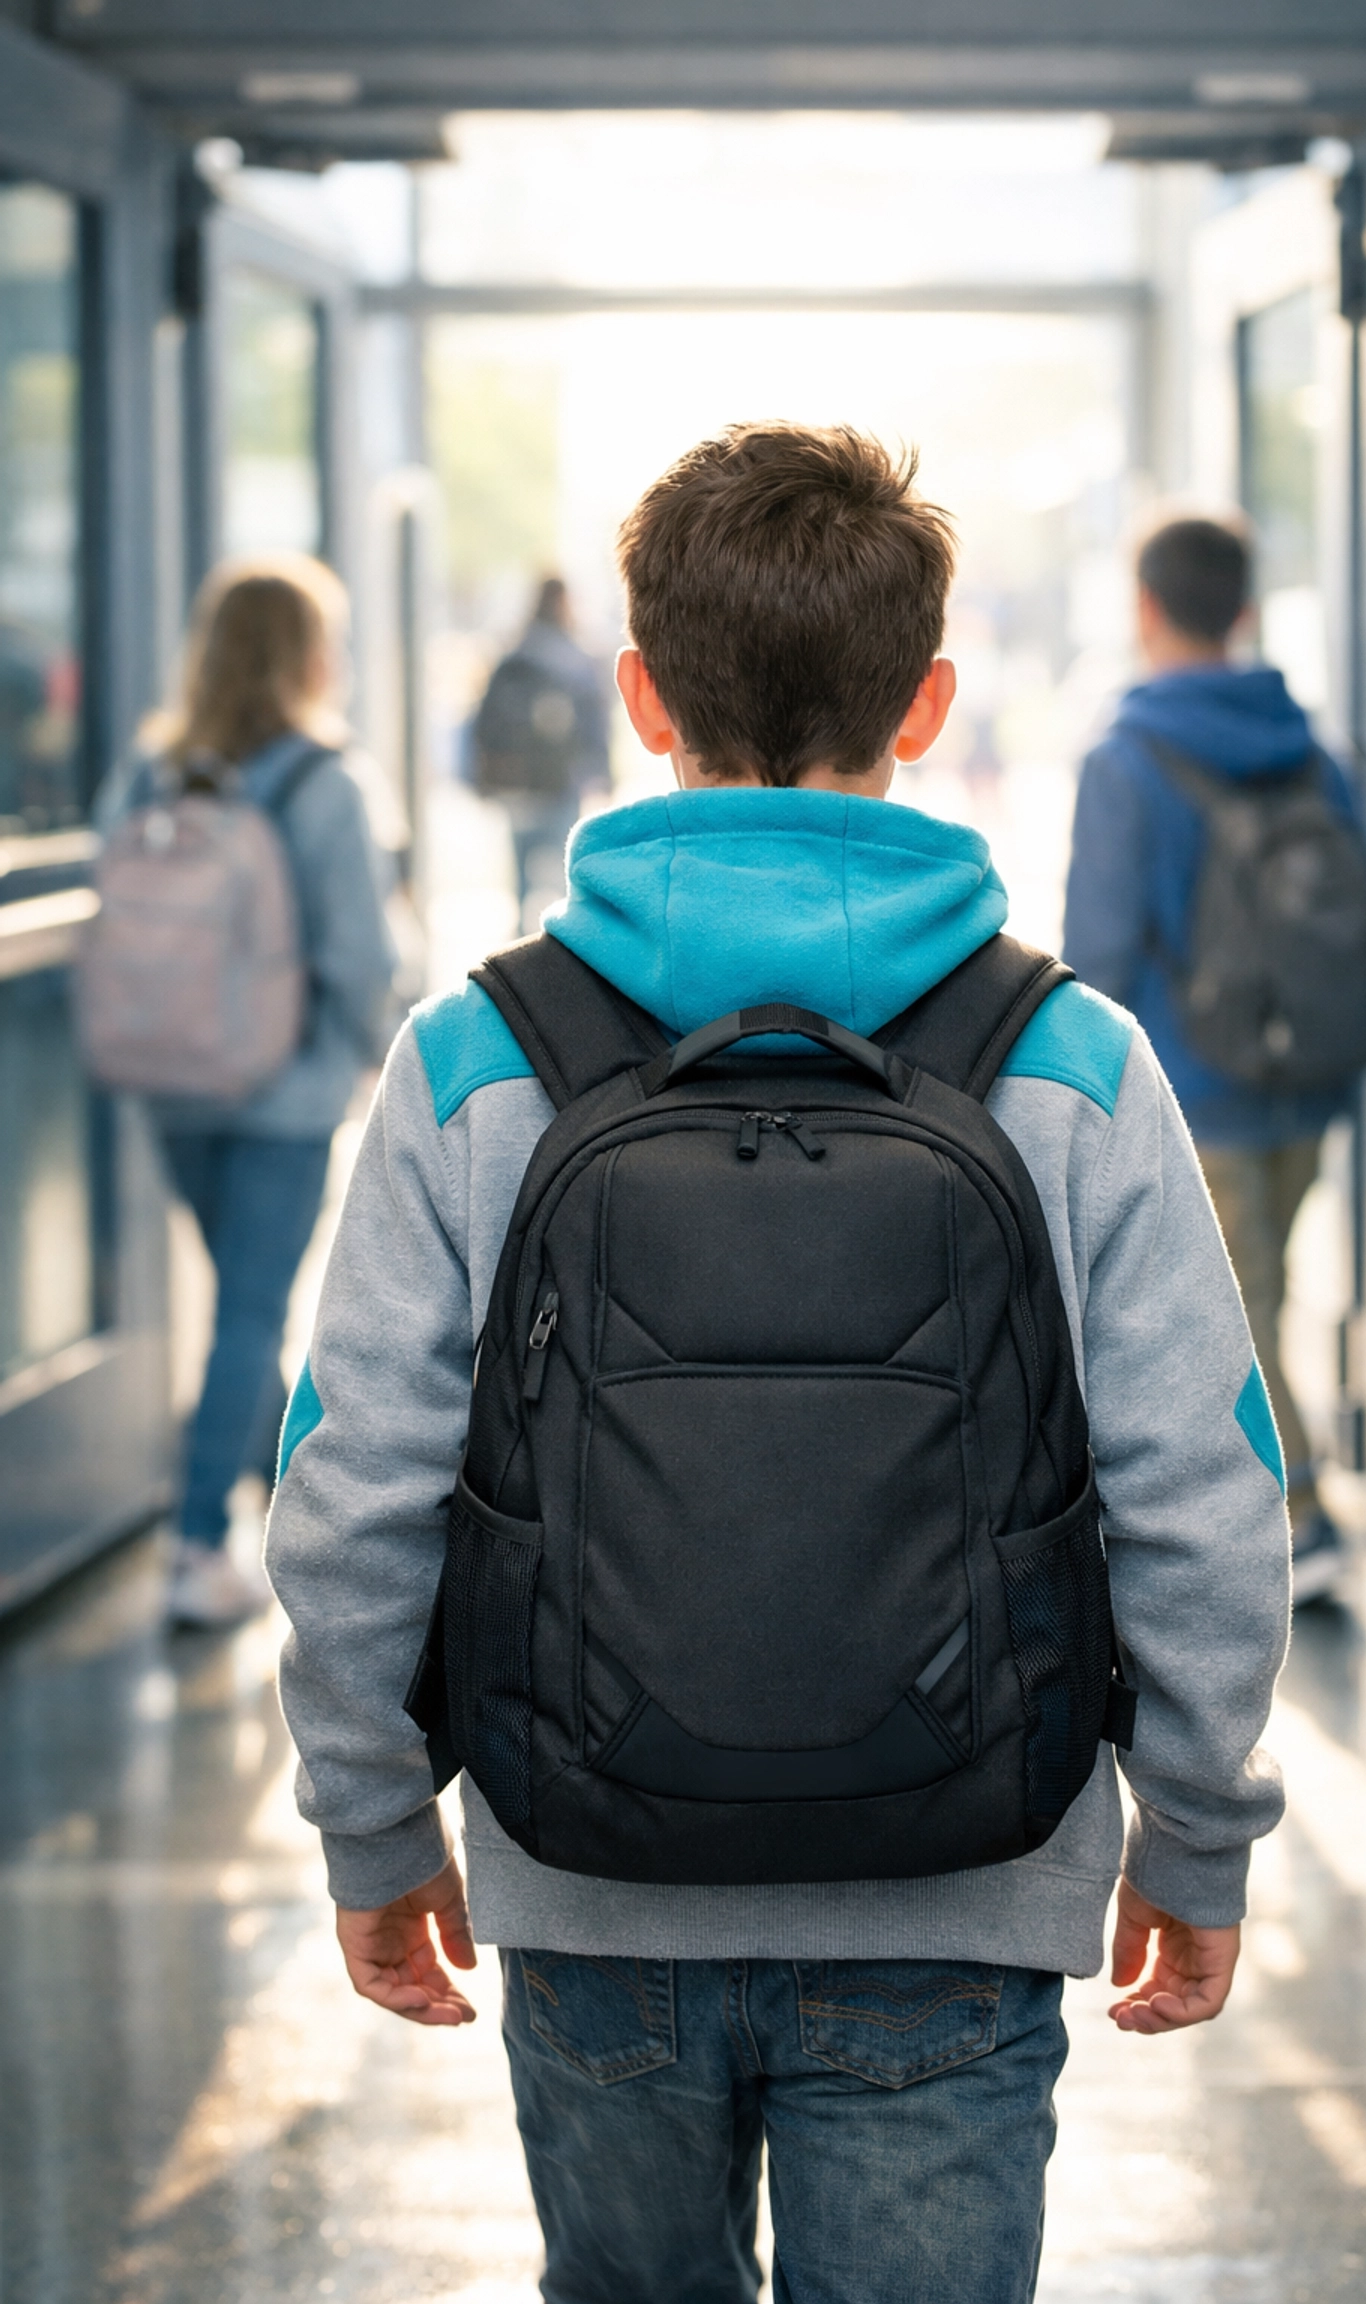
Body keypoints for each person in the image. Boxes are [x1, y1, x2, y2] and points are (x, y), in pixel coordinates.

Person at [267, 429, 1289, 2304]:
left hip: (591, 1877)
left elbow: (353, 1476)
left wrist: (371, 1808)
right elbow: (1201, 1484)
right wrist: (1201, 1829)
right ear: (928, 700)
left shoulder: (476, 1057)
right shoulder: (1067, 1059)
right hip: (963, 1885)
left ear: (642, 697)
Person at [1062, 513, 1365, 1604]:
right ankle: (1298, 1503)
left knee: (1240, 1320)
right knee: (1270, 1292)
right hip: (1307, 1078)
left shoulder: (1125, 757)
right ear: (1242, 611)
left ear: (1146, 610)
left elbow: (1094, 949)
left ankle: (1305, 1516)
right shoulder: (1312, 746)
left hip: (1200, 1088)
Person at [97, 556, 397, 1629]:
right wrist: (363, 1053)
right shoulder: (326, 782)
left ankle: (276, 1494)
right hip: (282, 1088)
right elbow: (362, 956)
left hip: (167, 1079)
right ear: (308, 654)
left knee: (240, 1304)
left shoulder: (151, 773)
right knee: (248, 1312)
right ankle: (191, 1550)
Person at [471, 576, 612, 935]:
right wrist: (603, 773)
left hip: (516, 785)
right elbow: (595, 722)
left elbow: (482, 721)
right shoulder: (576, 658)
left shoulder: (514, 653)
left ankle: (517, 952)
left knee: (521, 880)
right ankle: (564, 953)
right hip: (560, 783)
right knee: (567, 877)